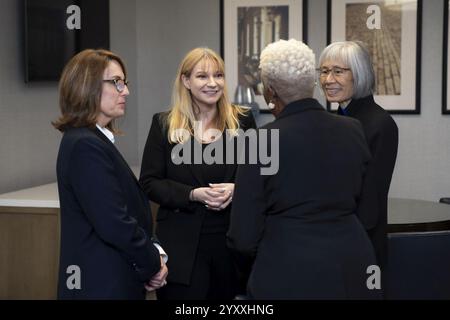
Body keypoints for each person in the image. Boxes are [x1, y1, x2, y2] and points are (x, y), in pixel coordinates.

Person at [227, 39, 381, 299]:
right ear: (312, 83)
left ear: (270, 92)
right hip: (352, 265)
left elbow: (242, 237)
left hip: (287, 270)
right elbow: (366, 206)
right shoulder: (353, 129)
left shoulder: (262, 140)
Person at [139, 47, 256, 300]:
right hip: (182, 248)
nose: (213, 83)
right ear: (186, 81)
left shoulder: (243, 120)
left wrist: (238, 190)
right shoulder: (163, 124)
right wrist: (192, 194)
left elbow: (260, 178)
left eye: (219, 75)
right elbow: (149, 182)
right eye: (202, 76)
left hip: (232, 245)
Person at [53, 49, 168, 299]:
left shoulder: (93, 140)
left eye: (124, 83)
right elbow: (115, 224)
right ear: (87, 86)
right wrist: (154, 263)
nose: (125, 91)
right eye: (116, 82)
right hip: (101, 287)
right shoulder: (84, 145)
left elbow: (131, 212)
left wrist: (155, 252)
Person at [318, 41, 398, 277]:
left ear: (359, 75)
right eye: (324, 71)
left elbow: (370, 203)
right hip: (329, 241)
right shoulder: (334, 120)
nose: (328, 79)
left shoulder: (380, 124)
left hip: (359, 247)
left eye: (338, 71)